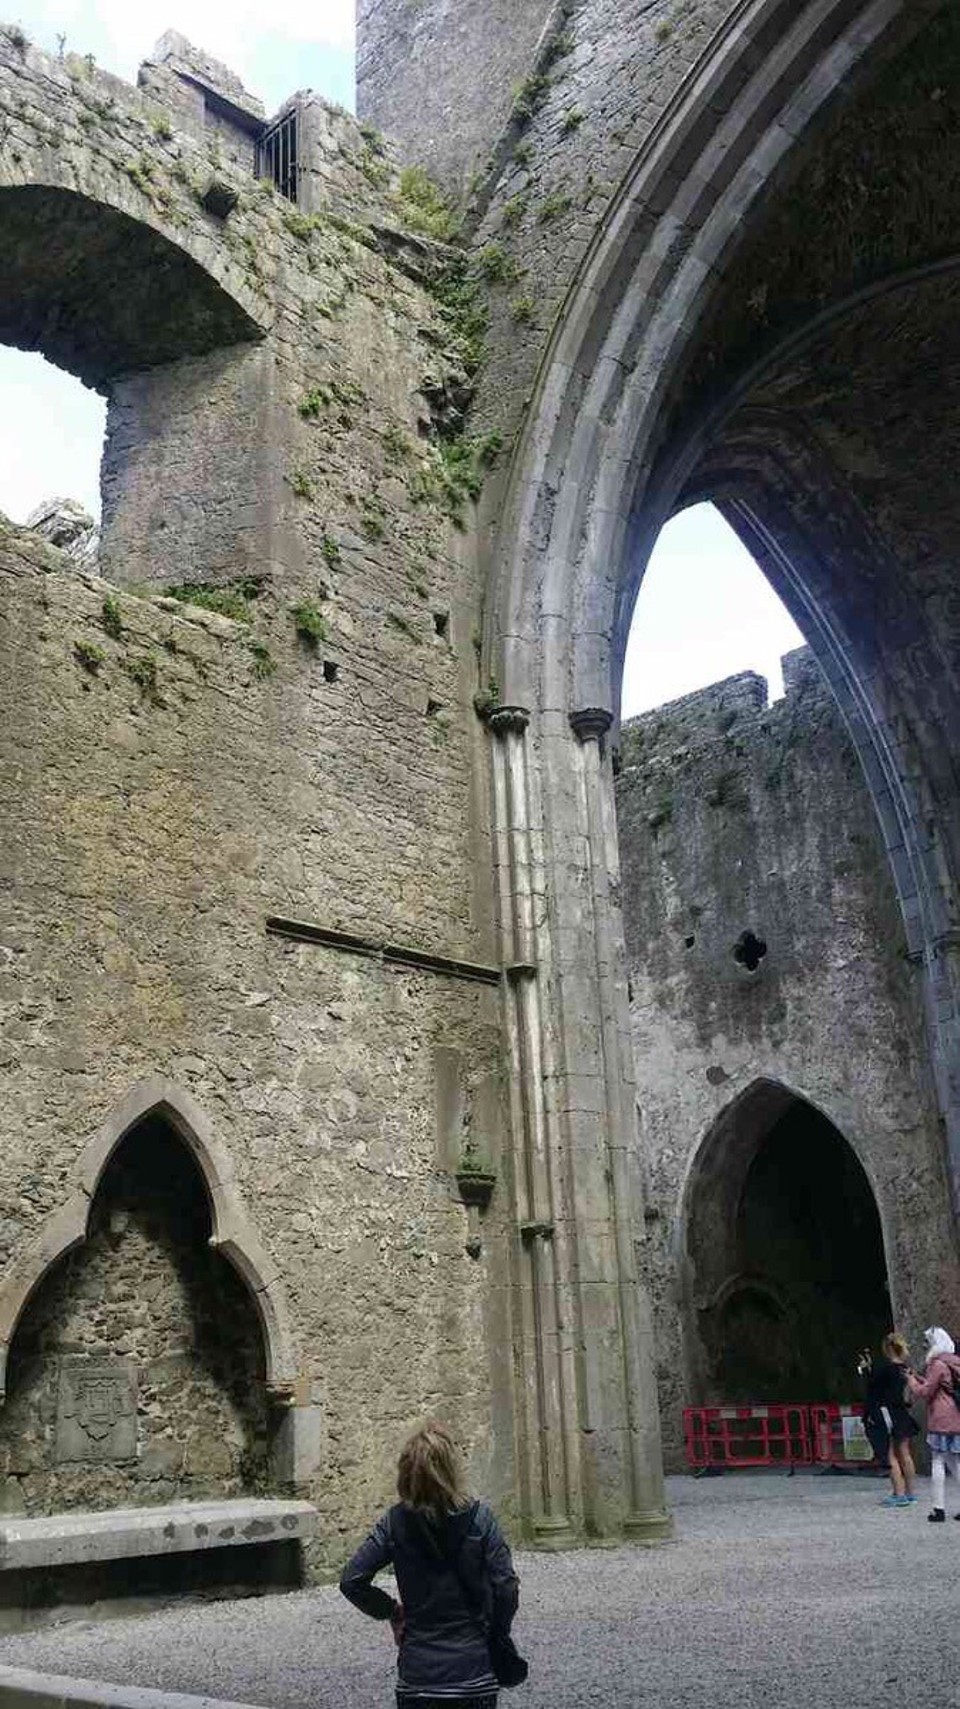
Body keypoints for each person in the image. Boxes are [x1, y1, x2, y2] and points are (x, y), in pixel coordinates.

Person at [340, 1421, 521, 1707]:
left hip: (418, 1675)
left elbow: (352, 1581)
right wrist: (497, 1631)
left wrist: (390, 1611)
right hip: (473, 1671)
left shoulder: (394, 1523)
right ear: (452, 1469)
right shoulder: (481, 1520)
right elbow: (506, 1587)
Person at [906, 1326, 960, 1522]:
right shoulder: (953, 1362)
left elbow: (926, 1392)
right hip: (955, 1415)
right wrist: (920, 1379)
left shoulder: (936, 1364)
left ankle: (939, 1508)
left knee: (938, 1461)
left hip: (941, 1418)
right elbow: (940, 1386)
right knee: (955, 1462)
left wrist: (911, 1381)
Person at [862, 1332, 918, 1506]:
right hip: (901, 1411)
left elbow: (872, 1387)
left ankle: (898, 1493)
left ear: (887, 1349)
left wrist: (866, 1369)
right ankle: (910, 1493)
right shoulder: (905, 1368)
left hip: (886, 1412)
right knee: (905, 1453)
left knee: (889, 1453)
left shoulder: (885, 1369)